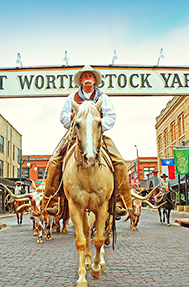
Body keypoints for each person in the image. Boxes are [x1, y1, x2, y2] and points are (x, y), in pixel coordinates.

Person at [42, 65, 133, 216]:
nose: (87, 79)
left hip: (98, 135)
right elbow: (63, 117)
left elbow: (111, 117)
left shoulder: (104, 98)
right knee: (54, 162)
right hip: (75, 135)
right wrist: (74, 118)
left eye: (90, 76)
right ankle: (51, 201)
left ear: (95, 80)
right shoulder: (71, 98)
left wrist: (95, 125)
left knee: (120, 162)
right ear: (81, 81)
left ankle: (121, 201)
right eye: (85, 77)